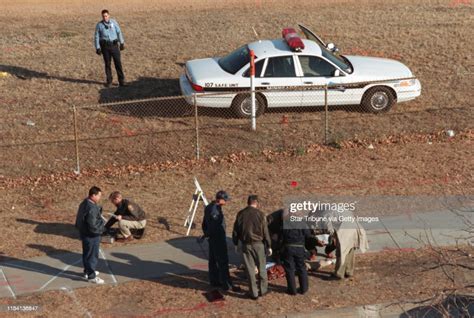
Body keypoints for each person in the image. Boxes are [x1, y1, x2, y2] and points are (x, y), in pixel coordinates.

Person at [232, 195, 272, 300]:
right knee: (262, 268)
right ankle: (263, 290)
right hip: (258, 244)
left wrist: (235, 243)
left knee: (250, 270)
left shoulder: (240, 214)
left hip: (246, 244)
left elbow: (236, 231)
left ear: (248, 202)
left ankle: (253, 293)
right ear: (256, 202)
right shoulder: (261, 214)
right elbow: (265, 231)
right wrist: (269, 245)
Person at [202, 190, 234, 291]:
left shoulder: (209, 207)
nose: (226, 202)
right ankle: (226, 284)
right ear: (220, 200)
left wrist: (206, 234)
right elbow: (214, 226)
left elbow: (204, 224)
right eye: (225, 200)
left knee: (212, 260)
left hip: (212, 238)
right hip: (217, 239)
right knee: (223, 261)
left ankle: (214, 280)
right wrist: (211, 235)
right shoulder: (215, 211)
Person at [75, 186, 105, 284]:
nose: (100, 197)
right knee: (92, 255)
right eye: (99, 195)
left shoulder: (84, 203)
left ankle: (87, 271)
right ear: (93, 195)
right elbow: (93, 225)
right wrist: (102, 229)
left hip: (84, 233)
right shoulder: (91, 208)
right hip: (91, 235)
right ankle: (91, 276)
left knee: (87, 253)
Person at [94, 9, 126, 87]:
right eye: (103, 16)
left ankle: (122, 81)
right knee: (107, 64)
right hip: (105, 47)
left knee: (118, 63)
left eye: (106, 16)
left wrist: (121, 43)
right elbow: (96, 37)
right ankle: (109, 81)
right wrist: (97, 48)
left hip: (114, 46)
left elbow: (119, 32)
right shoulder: (99, 25)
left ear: (109, 15)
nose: (105, 17)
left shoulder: (114, 22)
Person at [281, 221, 312, 295]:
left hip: (288, 247)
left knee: (290, 269)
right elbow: (308, 235)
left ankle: (292, 290)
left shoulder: (286, 223)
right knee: (301, 268)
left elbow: (282, 235)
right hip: (299, 248)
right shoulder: (302, 223)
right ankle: (304, 289)